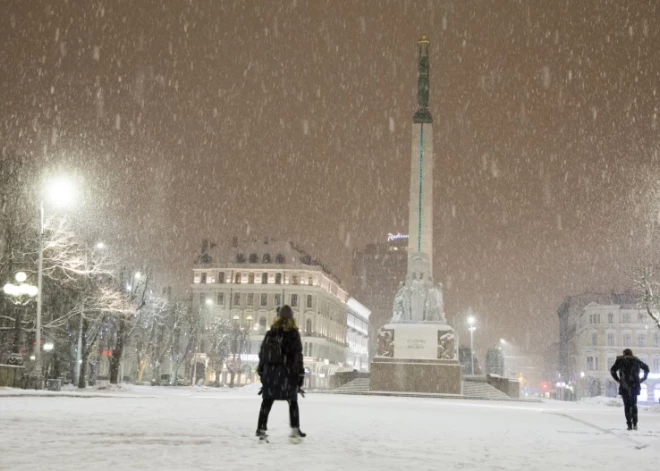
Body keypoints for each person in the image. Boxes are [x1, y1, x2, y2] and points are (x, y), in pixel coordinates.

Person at [256, 305, 306, 442]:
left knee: (267, 402)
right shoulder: (293, 334)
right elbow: (298, 356)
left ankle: (261, 430)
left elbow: (262, 354)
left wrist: (262, 373)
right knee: (293, 402)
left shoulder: (271, 333)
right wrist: (300, 375)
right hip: (287, 374)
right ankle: (295, 430)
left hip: (271, 374)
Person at [610, 348, 649, 430]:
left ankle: (629, 424)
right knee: (634, 404)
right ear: (631, 353)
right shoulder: (636, 360)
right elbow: (647, 369)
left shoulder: (620, 360)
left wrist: (618, 380)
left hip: (624, 385)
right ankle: (635, 424)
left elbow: (612, 370)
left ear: (624, 353)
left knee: (627, 405)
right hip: (635, 385)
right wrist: (642, 379)